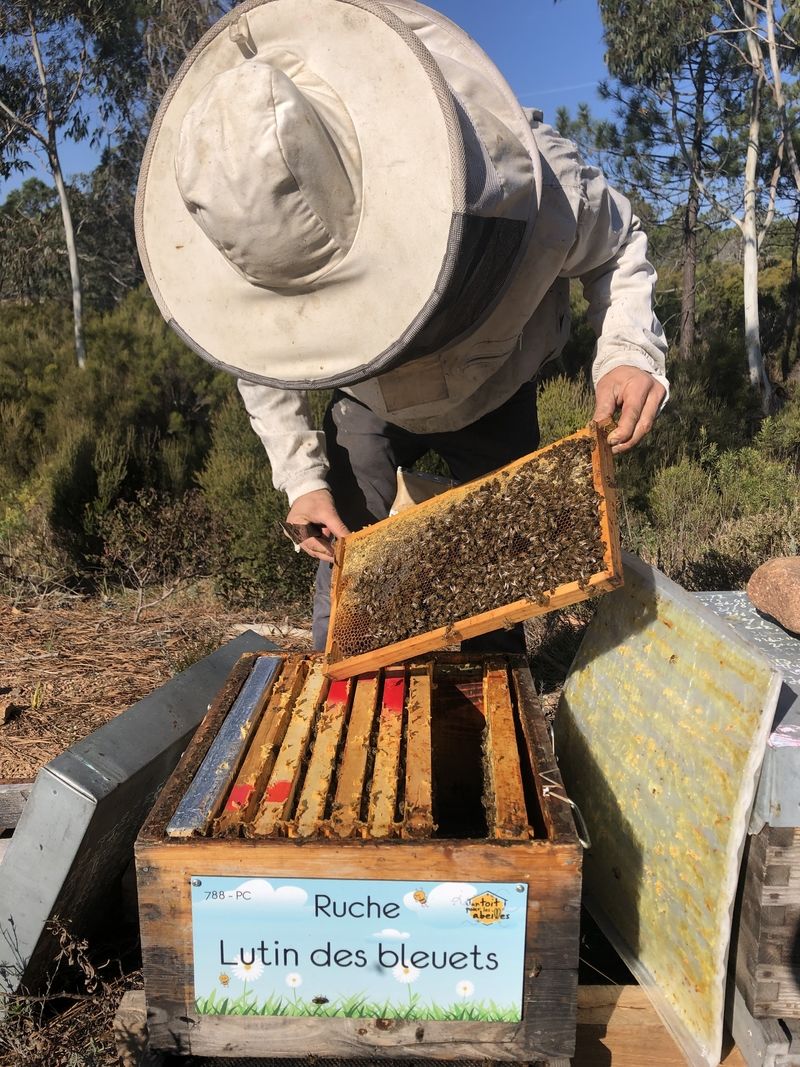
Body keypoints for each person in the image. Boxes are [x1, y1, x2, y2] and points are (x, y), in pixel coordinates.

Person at [136, 0, 668, 652]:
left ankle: (491, 705)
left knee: (494, 583)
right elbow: (262, 356)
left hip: (495, 388)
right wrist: (303, 483)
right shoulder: (254, 241)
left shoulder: (540, 185)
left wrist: (629, 350)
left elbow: (619, 246)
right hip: (368, 404)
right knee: (350, 582)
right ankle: (356, 694)